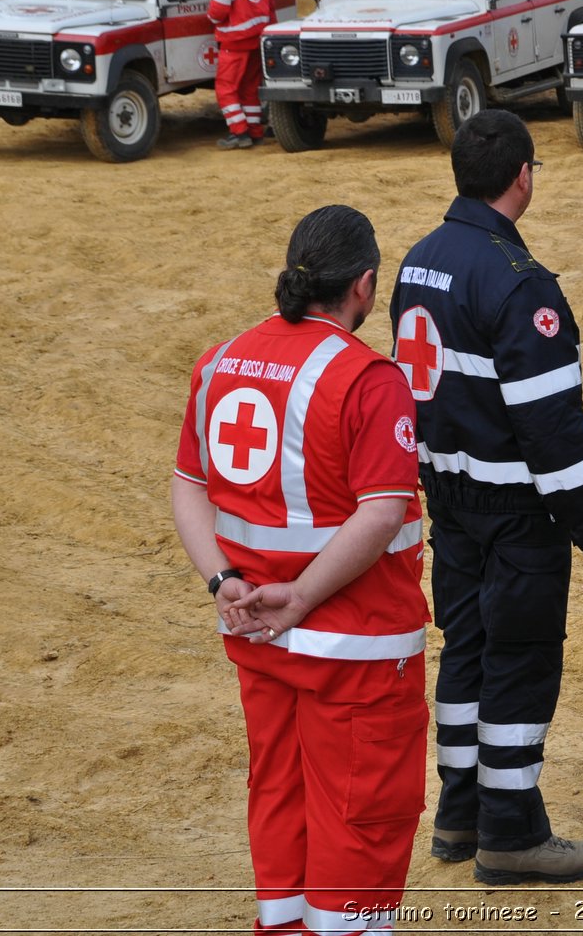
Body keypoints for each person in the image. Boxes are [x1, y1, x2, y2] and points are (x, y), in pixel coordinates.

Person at [171, 205, 430, 935]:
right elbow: (380, 514)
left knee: (279, 796)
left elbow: (186, 484)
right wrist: (302, 596)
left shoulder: (220, 360)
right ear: (366, 286)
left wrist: (224, 582)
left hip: (257, 639)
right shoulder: (369, 379)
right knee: (361, 820)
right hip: (356, 652)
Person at [390, 108, 583, 885]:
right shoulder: (521, 286)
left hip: (447, 500)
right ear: (523, 177)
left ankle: (458, 813)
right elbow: (553, 428)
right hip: (516, 512)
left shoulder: (418, 261)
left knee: (466, 650)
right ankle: (510, 832)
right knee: (518, 661)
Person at [206, 0, 276, 149]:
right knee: (249, 88)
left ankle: (239, 132)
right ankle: (255, 132)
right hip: (258, 39)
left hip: (234, 41)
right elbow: (270, 7)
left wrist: (211, 19)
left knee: (225, 88)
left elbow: (219, 9)